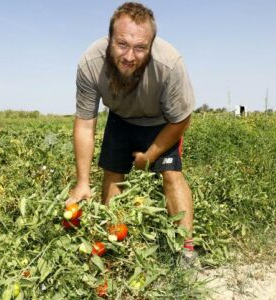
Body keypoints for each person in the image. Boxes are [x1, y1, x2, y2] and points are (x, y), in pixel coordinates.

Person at [65, 2, 197, 266]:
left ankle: (187, 250)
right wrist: (82, 181)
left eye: (140, 48)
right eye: (122, 44)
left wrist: (150, 155)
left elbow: (181, 119)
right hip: (121, 118)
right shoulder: (91, 63)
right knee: (113, 174)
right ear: (110, 38)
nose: (129, 56)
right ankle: (114, 243)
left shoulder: (169, 64)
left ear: (151, 45)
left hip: (163, 122)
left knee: (171, 174)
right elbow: (84, 123)